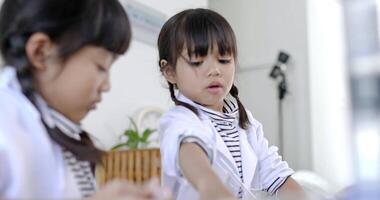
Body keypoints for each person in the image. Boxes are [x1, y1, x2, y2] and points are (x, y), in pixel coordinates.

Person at [0, 0, 170, 199]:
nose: (106, 86)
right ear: (41, 52)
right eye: (100, 67)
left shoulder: (56, 127)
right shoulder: (7, 129)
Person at [157, 8, 305, 200]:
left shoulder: (245, 122)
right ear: (170, 72)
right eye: (198, 61)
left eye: (224, 59)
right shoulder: (179, 120)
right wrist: (210, 186)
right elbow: (195, 163)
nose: (215, 70)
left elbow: (277, 175)